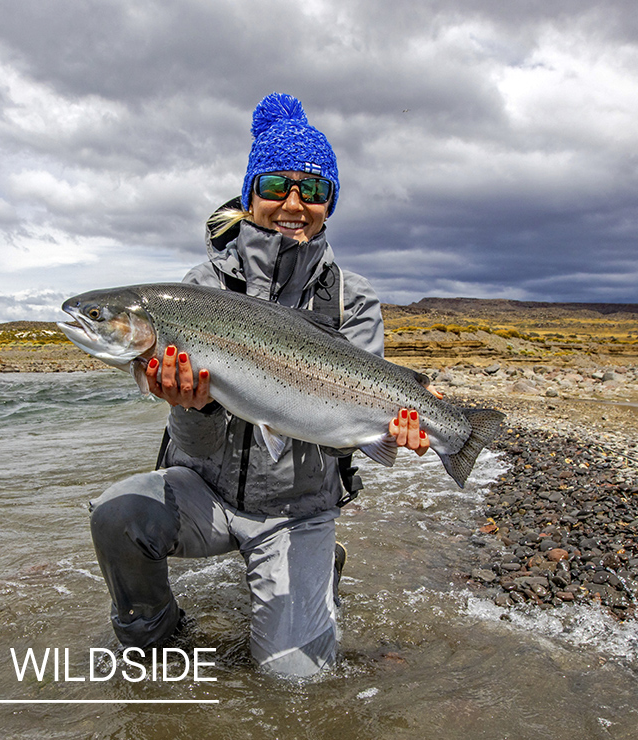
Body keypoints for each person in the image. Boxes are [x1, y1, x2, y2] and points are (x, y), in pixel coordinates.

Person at [88, 93, 434, 678]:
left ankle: (321, 566)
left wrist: (398, 428)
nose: (294, 203)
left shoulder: (354, 300)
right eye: (276, 184)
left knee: (293, 684)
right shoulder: (201, 289)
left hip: (299, 506)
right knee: (115, 514)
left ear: (330, 204)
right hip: (207, 493)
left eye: (315, 190)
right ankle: (155, 635)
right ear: (249, 195)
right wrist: (191, 407)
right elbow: (194, 449)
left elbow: (347, 436)